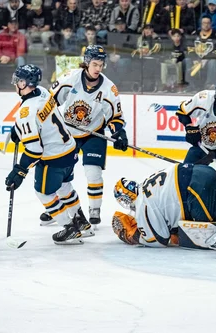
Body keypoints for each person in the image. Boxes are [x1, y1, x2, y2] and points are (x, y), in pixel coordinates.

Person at [5, 64, 93, 244]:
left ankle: (69, 228)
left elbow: (35, 150)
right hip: (70, 149)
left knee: (44, 193)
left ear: (24, 83)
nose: (15, 84)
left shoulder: (25, 112)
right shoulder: (43, 92)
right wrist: (18, 130)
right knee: (64, 187)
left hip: (53, 158)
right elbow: (41, 120)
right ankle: (82, 222)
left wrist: (20, 170)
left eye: (18, 81)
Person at [41, 45, 129, 227]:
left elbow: (115, 117)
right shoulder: (70, 78)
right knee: (60, 174)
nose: (98, 68)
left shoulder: (109, 88)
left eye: (101, 65)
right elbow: (49, 102)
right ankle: (58, 208)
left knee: (93, 173)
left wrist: (119, 132)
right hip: (68, 135)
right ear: (87, 63)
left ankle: (94, 210)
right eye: (95, 64)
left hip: (93, 134)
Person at [111, 163, 216, 247]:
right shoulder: (147, 183)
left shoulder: (142, 202)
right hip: (206, 172)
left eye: (123, 200)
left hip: (196, 189)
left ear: (127, 197)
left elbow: (158, 241)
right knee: (212, 220)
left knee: (206, 234)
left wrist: (132, 235)